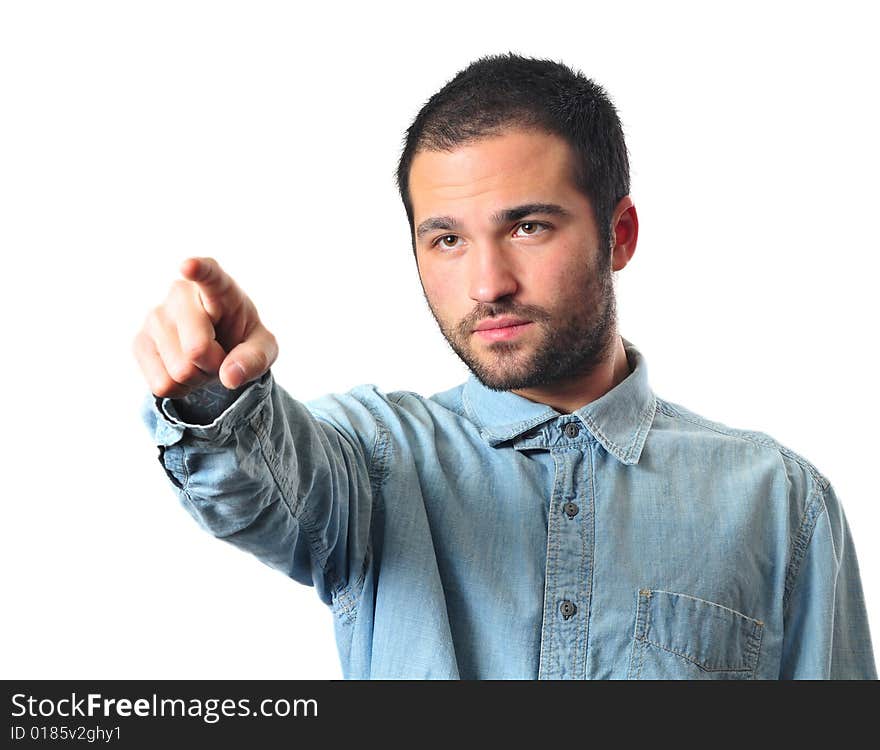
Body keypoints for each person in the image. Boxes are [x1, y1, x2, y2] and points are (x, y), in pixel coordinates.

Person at [134, 53, 877, 679]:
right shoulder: (370, 459)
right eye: (447, 240)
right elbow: (264, 486)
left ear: (618, 235)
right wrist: (214, 394)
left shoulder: (781, 503)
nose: (488, 284)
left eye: (528, 226)